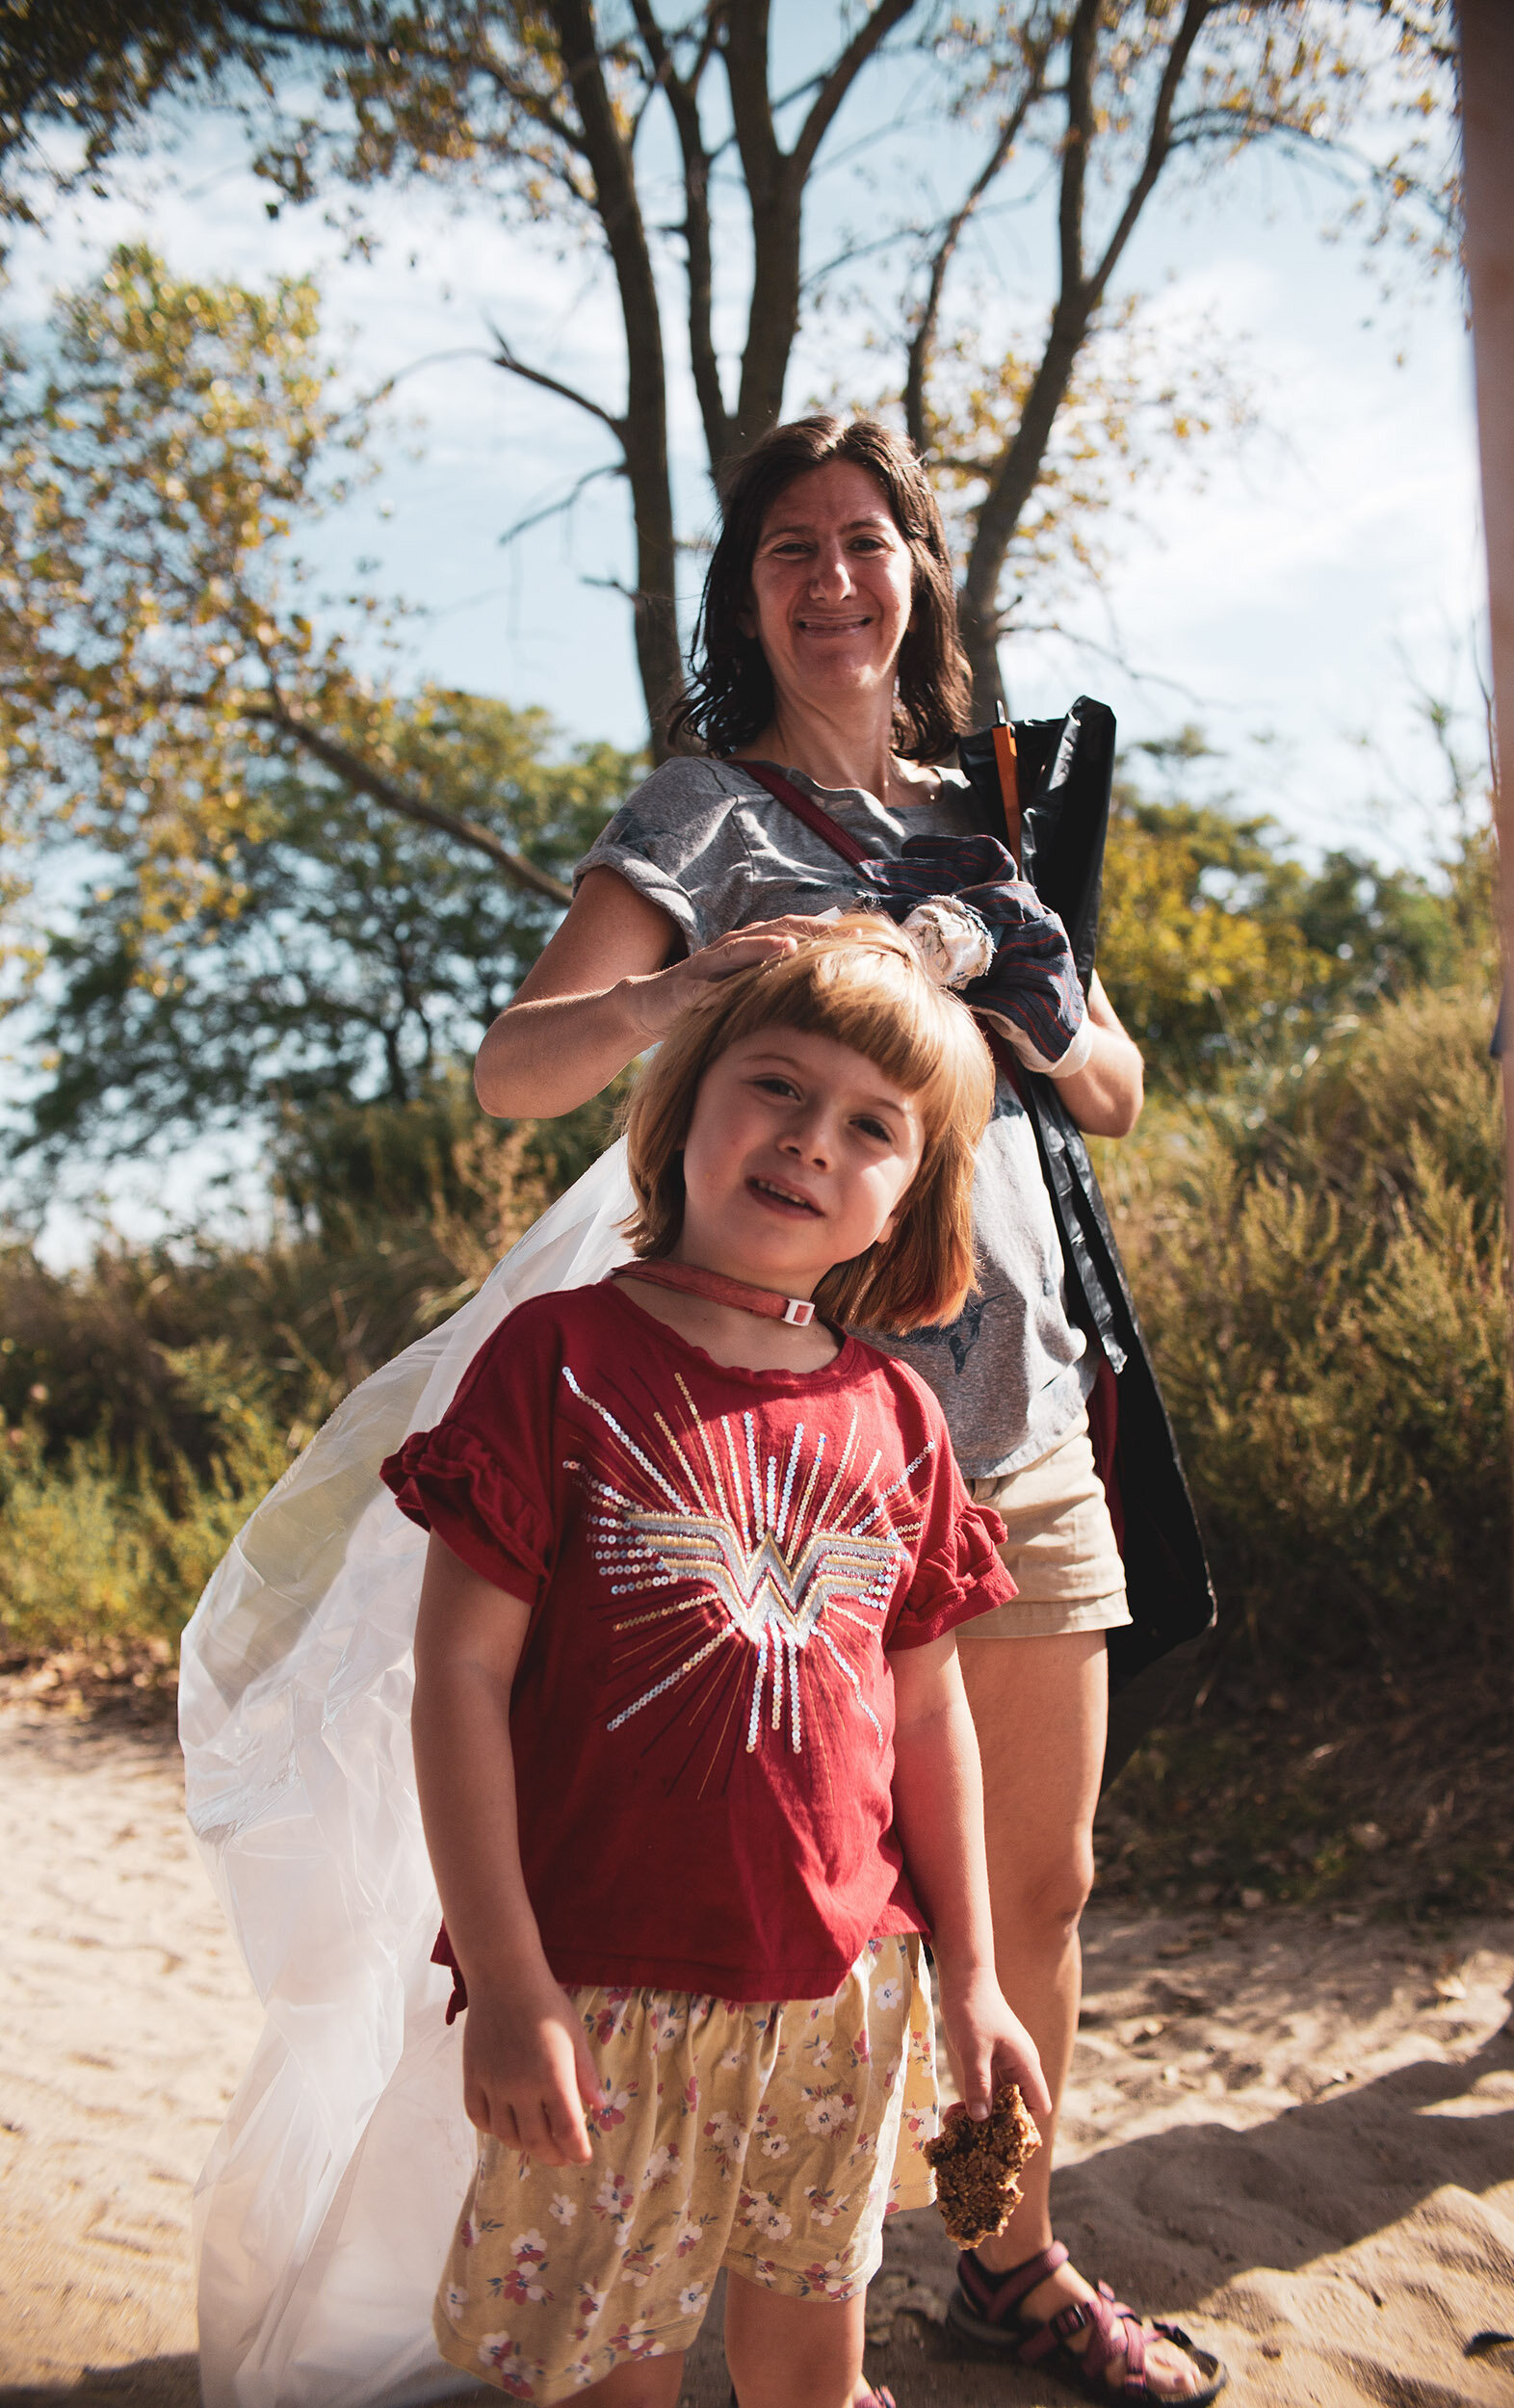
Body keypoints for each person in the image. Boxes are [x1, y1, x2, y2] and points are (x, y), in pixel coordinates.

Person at [472, 413, 1217, 2402]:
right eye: (788, 545)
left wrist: (995, 983)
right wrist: (683, 989)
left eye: (866, 539)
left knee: (1031, 1885)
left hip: (1020, 1413)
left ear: (917, 574)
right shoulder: (701, 812)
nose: (831, 574)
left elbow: (1117, 1079)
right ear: (749, 589)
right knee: (775, 1891)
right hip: (785, 1448)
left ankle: (1008, 2250)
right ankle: (744, 2290)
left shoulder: (989, 819)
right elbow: (509, 1074)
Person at [380, 919, 1053, 2407]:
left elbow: (929, 1718)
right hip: (602, 1994)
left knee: (814, 2360)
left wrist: (975, 1980)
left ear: (903, 1201)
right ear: (684, 1106)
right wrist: (505, 1975)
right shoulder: (554, 1359)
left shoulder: (900, 1416)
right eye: (776, 1088)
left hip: (841, 1992)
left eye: (871, 1127)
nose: (813, 1142)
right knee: (610, 2373)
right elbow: (459, 1686)